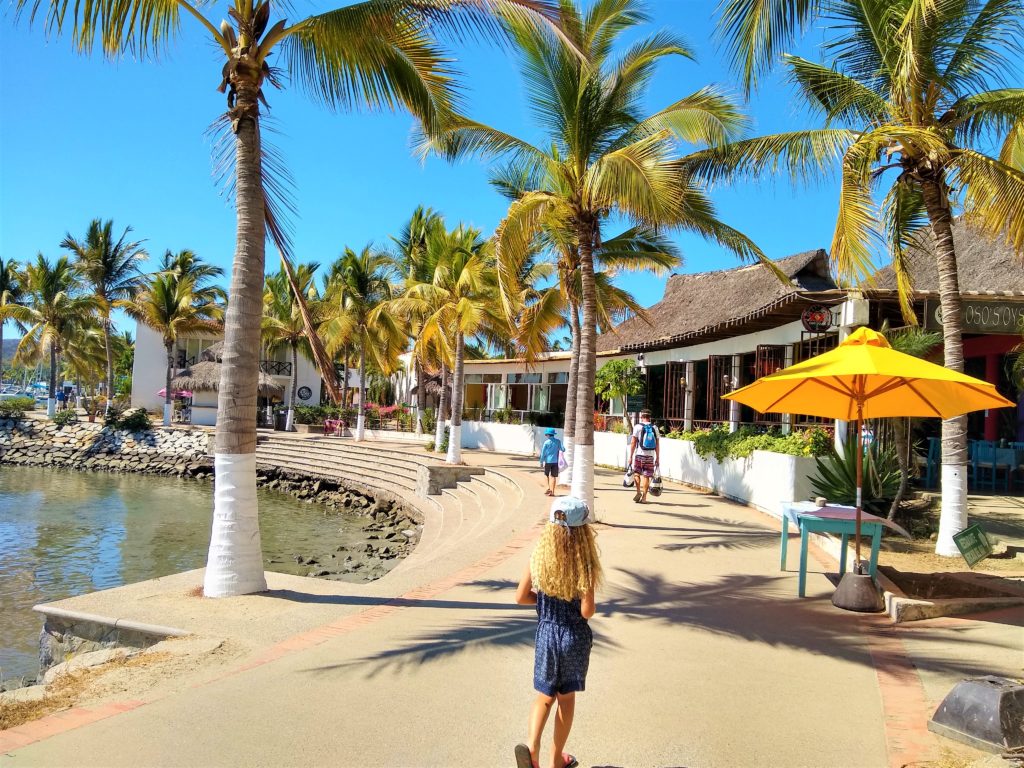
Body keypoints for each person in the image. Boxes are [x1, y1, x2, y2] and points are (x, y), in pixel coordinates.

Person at [515, 496, 602, 768]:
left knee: (544, 695)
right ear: (583, 533)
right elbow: (587, 610)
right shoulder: (584, 565)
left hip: (546, 634)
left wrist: (544, 605)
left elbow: (521, 597)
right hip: (573, 637)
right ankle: (556, 761)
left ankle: (531, 750)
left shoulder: (538, 558)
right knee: (565, 699)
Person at [628, 409, 660, 503]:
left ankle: (638, 492)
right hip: (650, 456)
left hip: (639, 455)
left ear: (642, 417)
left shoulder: (638, 427)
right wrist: (657, 457)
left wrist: (630, 456)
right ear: (650, 417)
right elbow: (657, 444)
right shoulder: (655, 427)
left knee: (637, 474)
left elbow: (633, 442)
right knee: (646, 477)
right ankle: (644, 498)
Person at [539, 427, 564, 496]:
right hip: (555, 462)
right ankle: (552, 492)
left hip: (548, 461)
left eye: (546, 434)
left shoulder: (546, 443)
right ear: (553, 434)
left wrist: (541, 461)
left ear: (548, 435)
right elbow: (563, 449)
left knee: (546, 475)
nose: (546, 436)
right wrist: (560, 445)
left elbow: (543, 453)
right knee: (553, 477)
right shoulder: (558, 441)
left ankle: (548, 488)